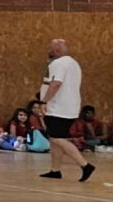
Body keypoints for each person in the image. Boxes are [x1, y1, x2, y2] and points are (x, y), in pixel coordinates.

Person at [39, 37, 93, 182]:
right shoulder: (74, 63)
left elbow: (56, 84)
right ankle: (55, 170)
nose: (49, 51)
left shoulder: (58, 64)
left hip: (59, 108)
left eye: (51, 48)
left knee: (57, 138)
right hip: (71, 106)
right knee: (55, 139)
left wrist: (44, 101)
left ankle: (85, 165)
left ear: (56, 50)